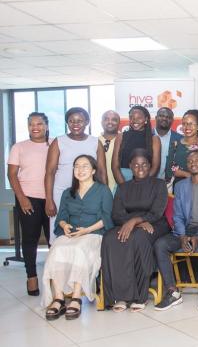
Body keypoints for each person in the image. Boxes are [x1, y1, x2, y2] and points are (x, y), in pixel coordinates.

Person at [42, 155, 113, 320]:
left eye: (85, 166)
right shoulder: (68, 193)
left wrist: (87, 230)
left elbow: (107, 218)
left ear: (93, 170)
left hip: (94, 233)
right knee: (56, 250)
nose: (80, 170)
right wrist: (64, 226)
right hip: (71, 233)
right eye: (77, 166)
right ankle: (59, 297)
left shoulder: (103, 190)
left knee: (79, 249)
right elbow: (61, 216)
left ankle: (75, 297)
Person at [101, 148, 170, 312]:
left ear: (150, 166)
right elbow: (117, 215)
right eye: (136, 165)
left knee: (138, 237)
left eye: (144, 164)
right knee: (110, 238)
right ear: (130, 166)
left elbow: (157, 212)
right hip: (128, 224)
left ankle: (140, 295)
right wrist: (133, 223)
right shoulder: (123, 187)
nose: (140, 168)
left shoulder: (159, 185)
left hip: (155, 224)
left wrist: (136, 220)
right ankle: (120, 296)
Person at [154, 151, 198, 312]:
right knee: (160, 244)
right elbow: (177, 215)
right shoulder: (180, 186)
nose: (193, 163)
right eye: (190, 160)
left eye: (197, 160)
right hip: (185, 229)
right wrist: (183, 236)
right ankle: (172, 291)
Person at [45, 107, 107, 244]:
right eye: (71, 121)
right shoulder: (58, 141)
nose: (75, 124)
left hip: (89, 193)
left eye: (80, 121)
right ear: (67, 123)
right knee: (60, 230)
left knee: (86, 228)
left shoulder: (95, 142)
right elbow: (49, 172)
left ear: (87, 122)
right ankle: (57, 257)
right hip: (61, 191)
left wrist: (104, 193)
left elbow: (102, 171)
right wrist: (49, 199)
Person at [7, 112, 52, 296]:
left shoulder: (54, 144)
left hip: (51, 198)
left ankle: (55, 277)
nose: (36, 127)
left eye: (39, 123)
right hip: (28, 199)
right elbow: (12, 175)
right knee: (30, 240)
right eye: (31, 124)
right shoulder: (19, 147)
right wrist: (22, 198)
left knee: (54, 240)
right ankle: (31, 277)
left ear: (46, 126)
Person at [165, 110, 198, 189]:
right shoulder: (175, 144)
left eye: (191, 124)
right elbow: (169, 170)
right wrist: (187, 174)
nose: (187, 127)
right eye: (184, 124)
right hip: (179, 188)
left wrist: (181, 172)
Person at [111, 106, 161, 184]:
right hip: (123, 180)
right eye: (132, 117)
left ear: (146, 119)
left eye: (139, 118)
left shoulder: (154, 139)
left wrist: (141, 185)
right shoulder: (121, 136)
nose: (135, 120)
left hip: (146, 182)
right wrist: (124, 187)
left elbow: (155, 167)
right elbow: (114, 166)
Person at [154, 107, 182, 180]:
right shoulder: (146, 136)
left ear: (172, 120)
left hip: (170, 183)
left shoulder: (180, 139)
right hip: (149, 181)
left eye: (168, 117)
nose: (164, 119)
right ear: (156, 118)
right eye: (161, 116)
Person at [99, 110, 120, 191]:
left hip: (120, 189)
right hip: (99, 189)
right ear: (101, 122)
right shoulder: (93, 141)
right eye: (106, 119)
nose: (110, 122)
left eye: (114, 120)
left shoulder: (126, 140)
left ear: (119, 123)